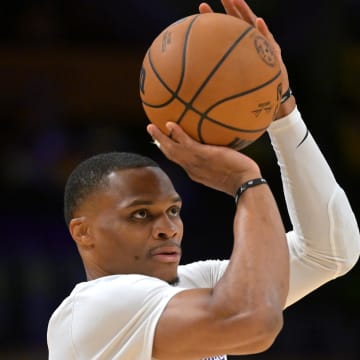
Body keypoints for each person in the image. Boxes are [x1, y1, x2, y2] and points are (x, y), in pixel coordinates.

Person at [47, 0, 360, 359]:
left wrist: (280, 109)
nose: (168, 228)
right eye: (140, 214)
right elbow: (252, 321)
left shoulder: (193, 286)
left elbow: (330, 253)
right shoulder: (93, 308)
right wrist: (245, 181)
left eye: (173, 211)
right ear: (83, 232)